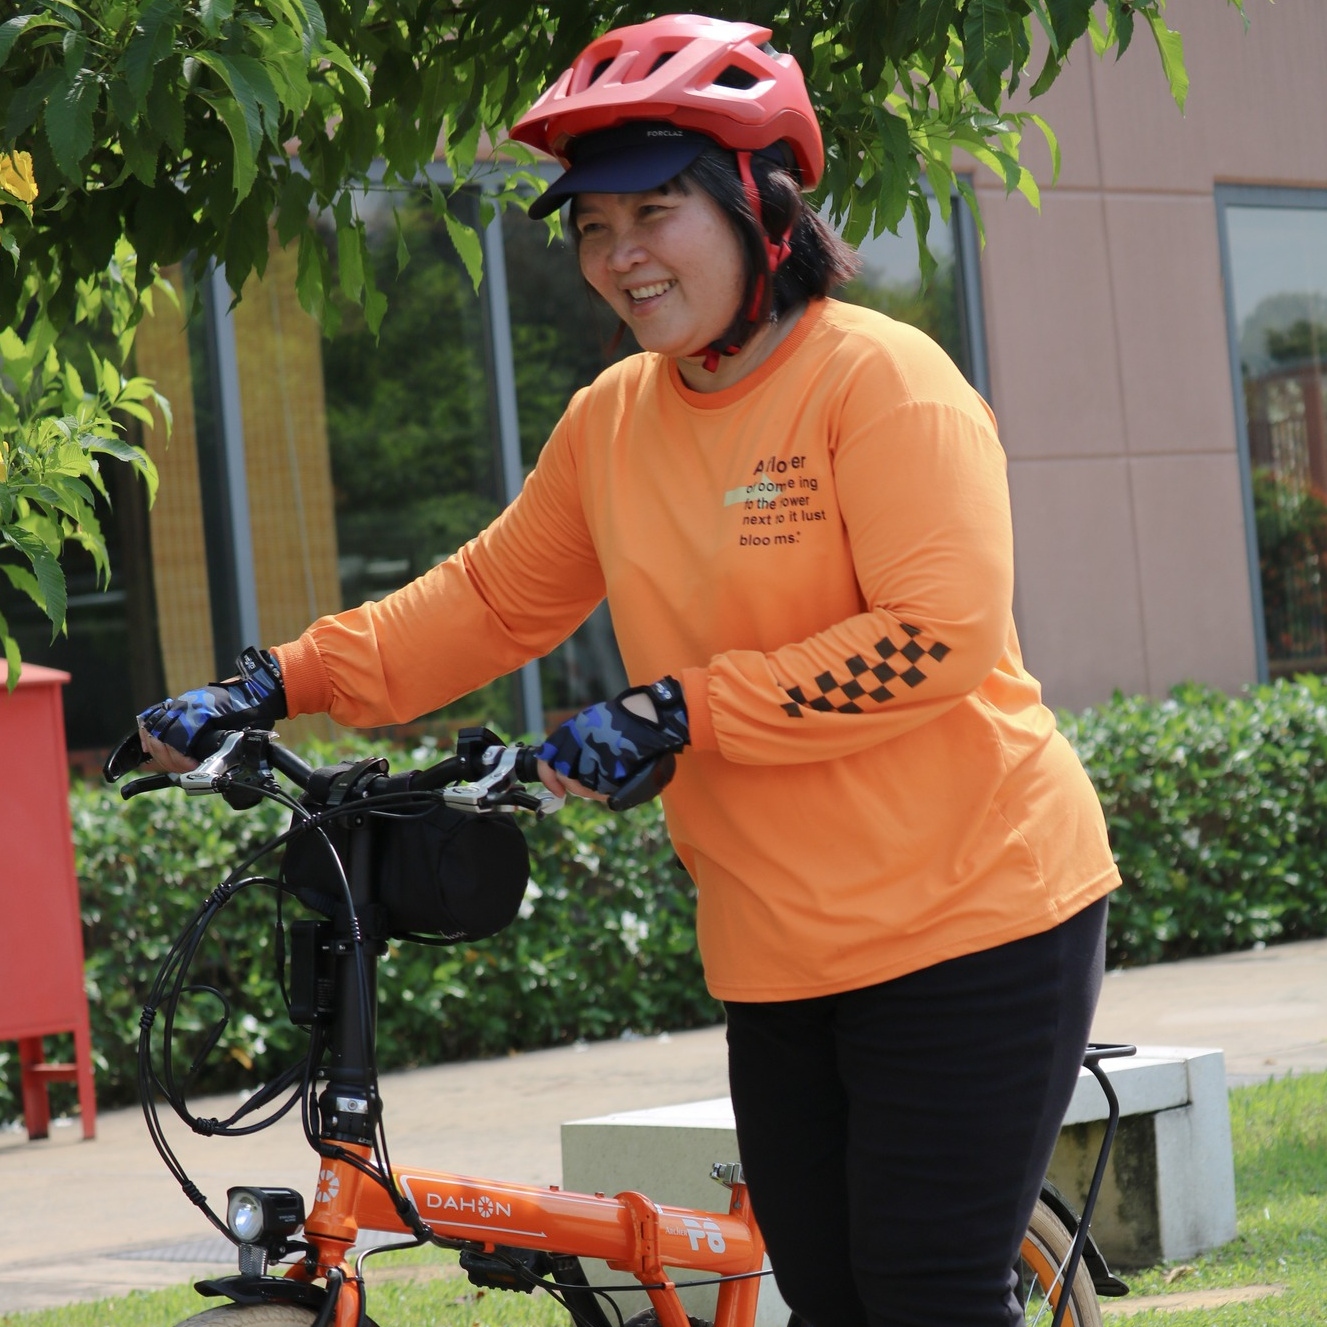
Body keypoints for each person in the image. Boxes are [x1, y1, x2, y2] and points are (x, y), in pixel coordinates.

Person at [108, 15, 1120, 1325]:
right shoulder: (614, 423)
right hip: (776, 947)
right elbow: (482, 603)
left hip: (977, 918)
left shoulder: (881, 384)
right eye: (594, 227)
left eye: (656, 211)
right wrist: (270, 683)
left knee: (924, 1295)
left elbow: (937, 638)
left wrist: (682, 710)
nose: (620, 254)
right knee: (830, 1300)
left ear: (759, 209)